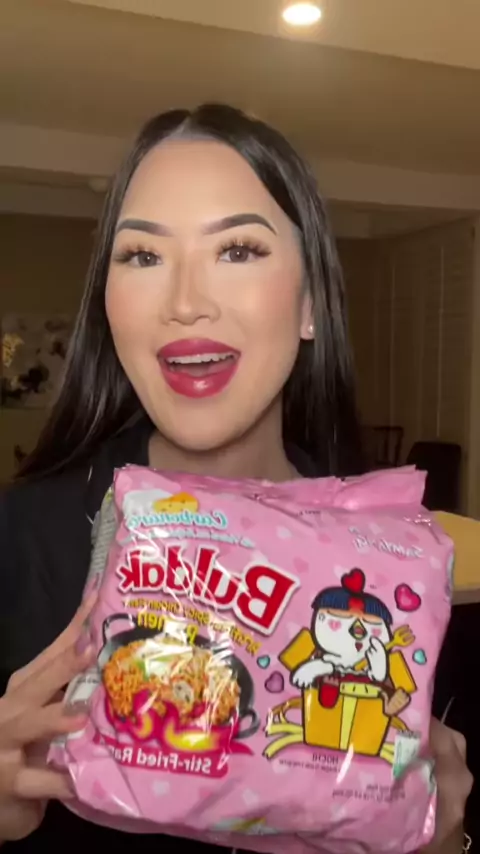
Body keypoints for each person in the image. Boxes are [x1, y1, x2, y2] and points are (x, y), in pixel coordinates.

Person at [0, 104, 472, 851]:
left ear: (311, 304)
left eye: (239, 249)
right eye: (143, 256)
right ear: (110, 310)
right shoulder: (21, 542)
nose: (187, 302)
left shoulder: (385, 567)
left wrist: (442, 841)